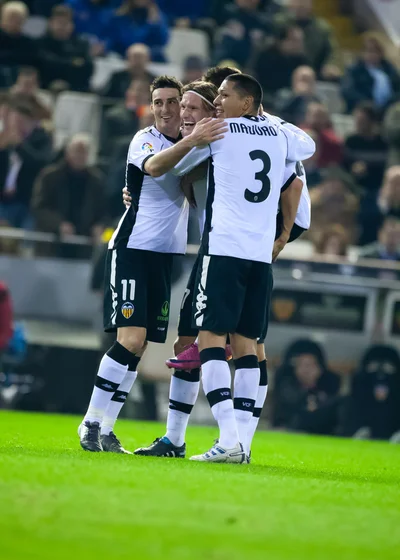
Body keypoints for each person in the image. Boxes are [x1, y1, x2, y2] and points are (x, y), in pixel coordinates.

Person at [133, 66, 312, 461]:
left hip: (230, 247)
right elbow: (306, 148)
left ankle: (232, 439)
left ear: (244, 102)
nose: (199, 111)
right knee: (217, 341)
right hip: (247, 251)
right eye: (188, 106)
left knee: (220, 340)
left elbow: (162, 167)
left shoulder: (217, 132)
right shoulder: (278, 134)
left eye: (215, 99)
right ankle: (189, 440)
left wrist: (283, 236)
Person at [78, 75, 225, 454]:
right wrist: (193, 140)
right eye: (157, 102)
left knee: (141, 346)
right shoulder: (146, 139)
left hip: (165, 258)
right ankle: (90, 422)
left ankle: (107, 429)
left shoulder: (191, 147)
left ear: (183, 106)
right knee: (129, 339)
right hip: (132, 248)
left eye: (172, 102)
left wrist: (194, 140)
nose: (165, 109)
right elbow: (156, 168)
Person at [32, 134, 106, 248]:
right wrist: (58, 225)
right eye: (77, 151)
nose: (80, 156)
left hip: (84, 245)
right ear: (67, 153)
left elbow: (104, 212)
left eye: (84, 152)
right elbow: (39, 207)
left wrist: (99, 226)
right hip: (51, 243)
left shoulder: (97, 181)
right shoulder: (49, 177)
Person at [0, 96, 53, 229]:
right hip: (4, 201)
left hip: (28, 202)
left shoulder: (41, 138)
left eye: (20, 121)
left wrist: (20, 146)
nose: (16, 126)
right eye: (14, 121)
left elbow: (40, 162)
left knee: (26, 243)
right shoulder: (5, 140)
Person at [272, 338, 341, 434]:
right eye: (302, 365)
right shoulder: (287, 389)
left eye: (310, 365)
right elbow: (284, 417)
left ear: (319, 369)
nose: (306, 370)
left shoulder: (328, 390)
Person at [275, 0, 341, 79]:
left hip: (313, 74)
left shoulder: (321, 28)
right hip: (281, 73)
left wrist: (331, 65)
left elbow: (333, 51)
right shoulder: (278, 23)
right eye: (297, 2)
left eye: (304, 2)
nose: (300, 5)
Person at [39, 4, 93, 93]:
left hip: (75, 89)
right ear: (50, 23)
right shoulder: (41, 43)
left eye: (65, 23)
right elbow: (46, 65)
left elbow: (88, 68)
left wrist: (59, 63)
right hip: (45, 87)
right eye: (59, 23)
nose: (62, 27)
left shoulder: (81, 44)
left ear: (72, 25)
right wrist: (73, 62)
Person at [341, 33, 400, 113]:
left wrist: (389, 103)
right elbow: (348, 91)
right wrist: (367, 103)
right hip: (362, 110)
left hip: (387, 110)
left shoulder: (390, 70)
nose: (372, 55)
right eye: (369, 51)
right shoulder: (354, 70)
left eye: (376, 51)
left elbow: (397, 91)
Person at [254, 24, 309, 98]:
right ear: (281, 41)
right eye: (294, 40)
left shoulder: (301, 60)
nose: (299, 44)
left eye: (300, 41)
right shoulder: (267, 56)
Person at [343, 101, 387, 193]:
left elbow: (385, 167)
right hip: (354, 188)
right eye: (357, 120)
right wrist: (353, 168)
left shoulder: (383, 142)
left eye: (362, 121)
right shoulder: (351, 141)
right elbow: (344, 166)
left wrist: (369, 169)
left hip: (379, 188)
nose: (358, 124)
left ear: (372, 122)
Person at [0, 1, 38, 88]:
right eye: (11, 18)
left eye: (18, 19)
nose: (14, 22)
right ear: (3, 18)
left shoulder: (28, 42)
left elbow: (31, 60)